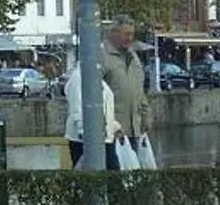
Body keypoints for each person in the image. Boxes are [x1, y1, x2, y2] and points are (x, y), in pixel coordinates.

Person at [99, 17, 156, 170]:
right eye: (126, 34)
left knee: (134, 175)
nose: (129, 38)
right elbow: (97, 96)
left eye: (132, 34)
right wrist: (109, 125)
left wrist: (146, 116)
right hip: (113, 132)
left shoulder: (134, 58)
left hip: (134, 129)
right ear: (114, 32)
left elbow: (139, 91)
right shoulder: (102, 56)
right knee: (116, 175)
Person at [60, 55, 120, 168]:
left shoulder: (96, 77)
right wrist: (85, 134)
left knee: (111, 174)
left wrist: (113, 126)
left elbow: (104, 106)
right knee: (104, 174)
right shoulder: (78, 78)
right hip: (87, 140)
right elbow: (76, 110)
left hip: (103, 138)